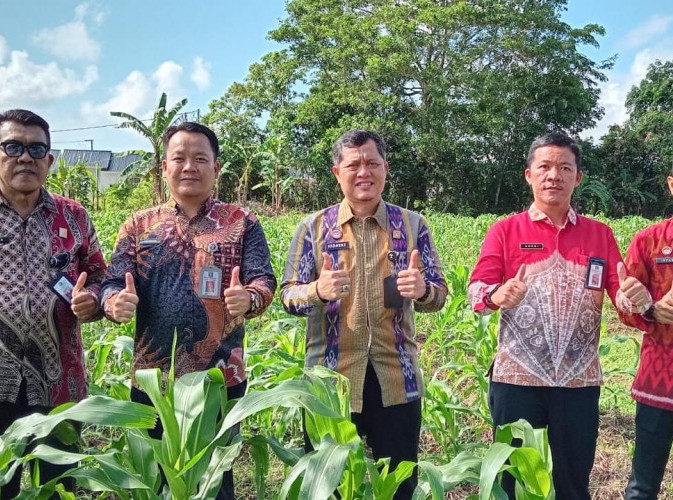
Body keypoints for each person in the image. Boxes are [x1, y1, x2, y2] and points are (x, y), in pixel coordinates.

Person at [468, 132, 648, 499]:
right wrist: (497, 293)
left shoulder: (599, 235)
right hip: (517, 380)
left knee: (573, 480)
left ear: (578, 177)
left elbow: (622, 296)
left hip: (578, 382)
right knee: (513, 479)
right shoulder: (505, 231)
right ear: (529, 175)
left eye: (565, 167)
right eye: (545, 167)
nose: (555, 175)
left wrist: (637, 299)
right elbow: (476, 289)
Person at [101, 122, 276, 499]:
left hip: (219, 379)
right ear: (164, 167)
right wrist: (115, 301)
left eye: (200, 158)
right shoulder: (137, 225)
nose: (189, 167)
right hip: (152, 379)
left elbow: (264, 279)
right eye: (179, 158)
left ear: (216, 167)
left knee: (216, 481)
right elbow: (113, 282)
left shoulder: (242, 222)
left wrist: (250, 297)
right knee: (153, 480)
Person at [280, 129, 447, 498]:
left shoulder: (413, 225)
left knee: (400, 486)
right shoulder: (313, 228)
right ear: (337, 172)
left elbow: (440, 296)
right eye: (353, 164)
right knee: (331, 488)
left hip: (397, 379)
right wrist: (317, 291)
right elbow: (288, 296)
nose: (363, 172)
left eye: (372, 163)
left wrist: (422, 291)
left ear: (385, 168)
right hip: (330, 382)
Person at [0, 109, 106, 496]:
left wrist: (92, 299)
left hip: (60, 382)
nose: (24, 157)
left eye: (35, 148)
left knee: (60, 485)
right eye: (12, 146)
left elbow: (99, 276)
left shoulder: (74, 215)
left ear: (49, 160)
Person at [619, 142, 673, 498]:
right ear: (672, 184)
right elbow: (626, 303)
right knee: (643, 484)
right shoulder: (648, 241)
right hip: (660, 377)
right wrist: (648, 309)